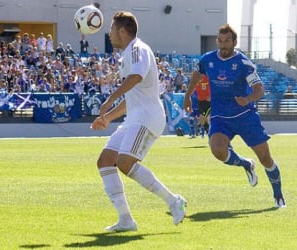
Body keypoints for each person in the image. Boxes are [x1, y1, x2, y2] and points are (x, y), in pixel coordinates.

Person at [90, 11, 186, 232]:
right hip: (136, 117)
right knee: (105, 160)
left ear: (123, 30)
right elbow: (132, 97)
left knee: (124, 162)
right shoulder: (128, 53)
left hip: (147, 117)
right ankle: (126, 220)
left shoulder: (137, 49)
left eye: (112, 29)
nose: (109, 33)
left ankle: (174, 201)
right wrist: (107, 117)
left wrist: (110, 98)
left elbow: (137, 77)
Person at [183, 24, 286, 208]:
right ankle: (246, 164)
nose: (223, 45)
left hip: (245, 116)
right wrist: (188, 96)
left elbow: (259, 89)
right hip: (221, 117)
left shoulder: (243, 63)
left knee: (265, 158)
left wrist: (248, 99)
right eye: (220, 41)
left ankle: (278, 196)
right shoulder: (208, 59)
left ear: (234, 42)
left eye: (227, 41)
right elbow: (197, 74)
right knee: (217, 150)